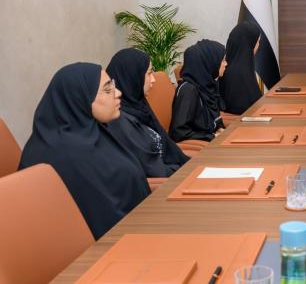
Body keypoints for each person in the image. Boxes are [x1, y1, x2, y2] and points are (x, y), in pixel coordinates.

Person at [18, 63, 150, 239]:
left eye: (113, 86)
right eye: (107, 90)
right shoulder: (65, 155)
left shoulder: (92, 133)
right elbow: (102, 223)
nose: (118, 93)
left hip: (138, 227)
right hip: (114, 246)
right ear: (79, 99)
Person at [106, 48, 190, 177]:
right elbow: (152, 170)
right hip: (164, 182)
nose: (153, 79)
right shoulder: (119, 120)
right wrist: (184, 171)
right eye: (149, 73)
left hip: (171, 171)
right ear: (133, 77)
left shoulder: (138, 105)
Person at [169, 39, 227, 143]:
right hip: (199, 148)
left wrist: (220, 130)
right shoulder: (188, 90)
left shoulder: (208, 85)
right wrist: (212, 136)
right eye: (222, 60)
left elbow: (213, 122)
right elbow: (179, 132)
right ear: (209, 62)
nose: (226, 64)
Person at [219, 22, 263, 115]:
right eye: (258, 41)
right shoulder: (239, 74)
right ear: (250, 44)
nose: (259, 45)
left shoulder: (231, 67)